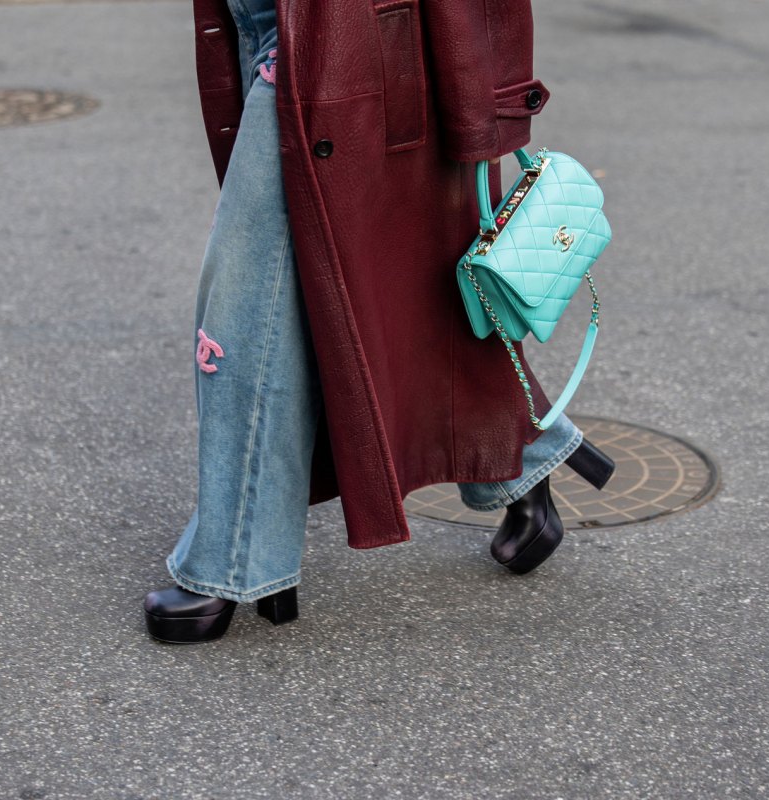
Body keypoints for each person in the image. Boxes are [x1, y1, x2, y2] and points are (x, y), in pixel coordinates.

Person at [143, 0, 615, 643]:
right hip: (305, 34)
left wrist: (491, 105)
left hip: (337, 44)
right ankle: (524, 456)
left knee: (246, 307)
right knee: (401, 295)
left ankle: (233, 561)